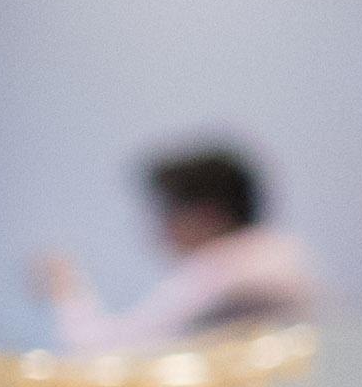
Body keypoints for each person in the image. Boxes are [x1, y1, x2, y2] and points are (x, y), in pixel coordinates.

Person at [39, 140, 321, 347]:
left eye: (166, 211)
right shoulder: (276, 256)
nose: (159, 227)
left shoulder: (231, 271)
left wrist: (64, 288)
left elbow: (108, 352)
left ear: (207, 214)